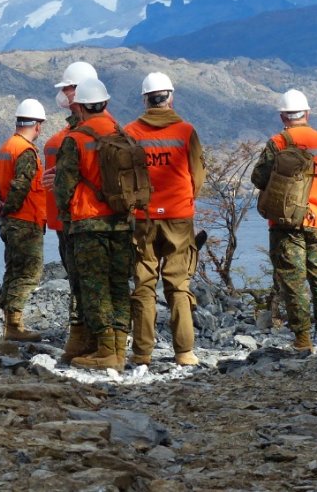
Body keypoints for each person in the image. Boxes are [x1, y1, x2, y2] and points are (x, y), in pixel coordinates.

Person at [251, 89, 317, 354]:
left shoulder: (278, 142)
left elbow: (258, 178)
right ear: (307, 113)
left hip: (285, 223)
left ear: (283, 115)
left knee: (293, 282)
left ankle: (303, 341)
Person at [125, 72, 205, 367]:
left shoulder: (130, 132)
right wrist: (183, 200)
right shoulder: (186, 131)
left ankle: (142, 353)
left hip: (142, 217)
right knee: (178, 283)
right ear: (170, 97)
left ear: (145, 99)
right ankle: (185, 352)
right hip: (179, 218)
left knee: (144, 283)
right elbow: (197, 176)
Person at [54, 78, 133, 371]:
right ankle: (120, 351)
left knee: (95, 288)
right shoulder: (122, 135)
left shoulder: (75, 139)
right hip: (122, 223)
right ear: (105, 103)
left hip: (89, 224)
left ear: (82, 107)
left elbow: (63, 187)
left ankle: (105, 349)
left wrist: (67, 213)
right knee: (118, 285)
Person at [42, 61, 99, 363]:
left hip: (87, 219)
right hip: (70, 220)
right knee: (78, 281)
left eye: (68, 88)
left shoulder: (90, 134)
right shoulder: (67, 136)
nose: (65, 94)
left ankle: (96, 344)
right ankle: (82, 341)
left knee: (89, 282)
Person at [0, 98, 48, 342]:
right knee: (28, 273)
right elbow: (21, 185)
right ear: (37, 125)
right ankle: (14, 325)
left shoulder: (6, 148)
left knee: (12, 270)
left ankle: (10, 323)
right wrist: (9, 207)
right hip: (24, 220)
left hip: (10, 222)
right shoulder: (25, 151)